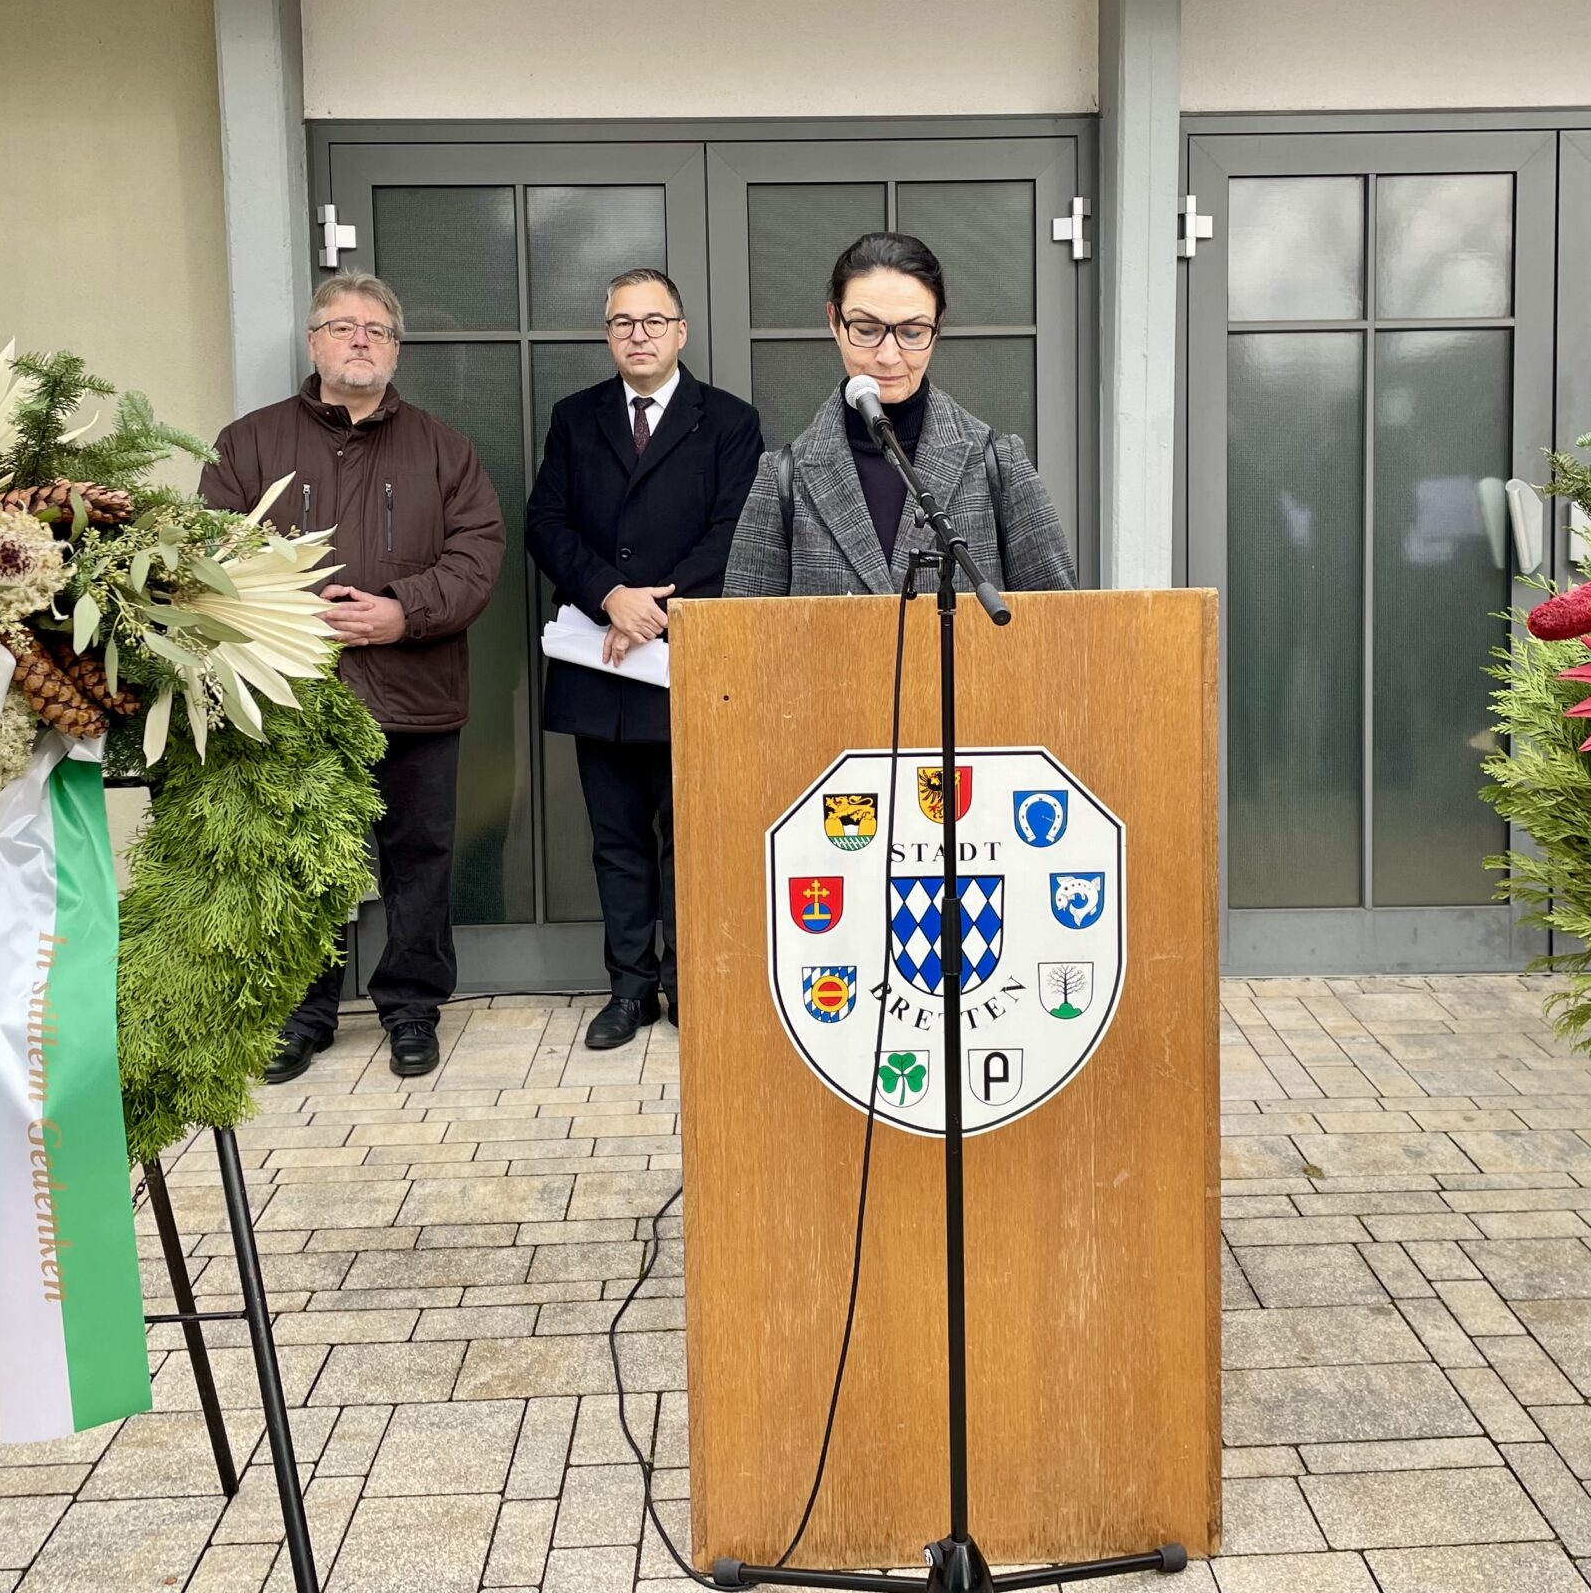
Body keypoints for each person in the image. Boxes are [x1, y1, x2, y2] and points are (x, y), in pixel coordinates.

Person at [202, 273, 505, 1083]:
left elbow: (478, 558)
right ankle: (305, 1014)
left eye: (376, 329)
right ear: (314, 343)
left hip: (417, 695)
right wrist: (302, 616)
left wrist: (403, 611)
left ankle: (412, 1010)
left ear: (396, 348)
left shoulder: (446, 449)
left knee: (419, 857)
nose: (360, 340)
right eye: (342, 327)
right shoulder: (247, 444)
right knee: (305, 859)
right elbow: (211, 560)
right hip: (296, 696)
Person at [526, 268, 763, 1050]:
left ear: (681, 331)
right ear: (608, 335)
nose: (639, 334)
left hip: (690, 662)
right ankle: (628, 990)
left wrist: (653, 608)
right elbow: (546, 523)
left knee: (692, 837)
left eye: (654, 321)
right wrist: (609, 595)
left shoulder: (729, 421)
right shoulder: (574, 417)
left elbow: (738, 531)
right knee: (617, 838)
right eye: (623, 322)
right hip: (601, 661)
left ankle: (687, 982)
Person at [724, 231, 1076, 597]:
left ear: (938, 326)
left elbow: (1057, 626)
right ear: (834, 320)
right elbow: (742, 641)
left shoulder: (998, 463)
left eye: (912, 332)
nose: (889, 356)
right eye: (866, 329)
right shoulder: (784, 477)